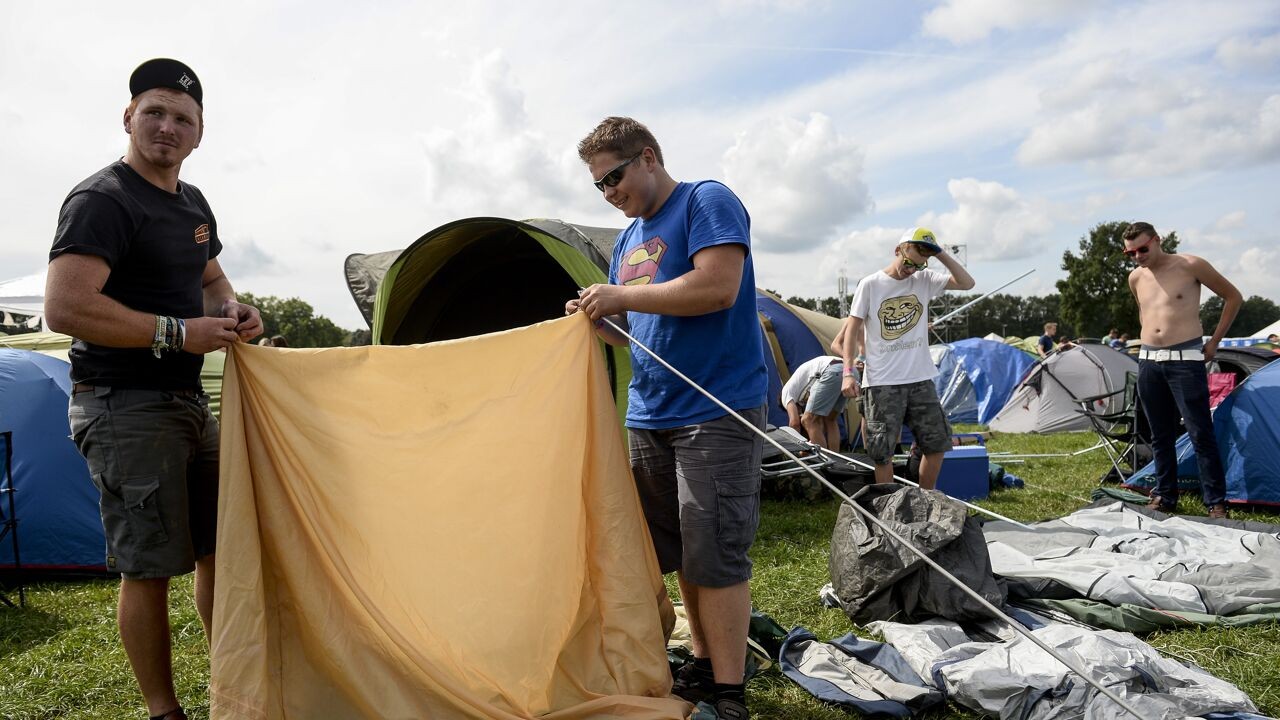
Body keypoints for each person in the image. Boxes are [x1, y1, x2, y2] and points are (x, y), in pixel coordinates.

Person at [44, 59, 262, 720]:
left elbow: (211, 278)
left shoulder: (192, 205)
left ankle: (233, 682)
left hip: (190, 404)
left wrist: (234, 309)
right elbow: (66, 307)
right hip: (122, 406)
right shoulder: (102, 200)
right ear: (129, 117)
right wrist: (178, 333)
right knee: (149, 569)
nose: (168, 127)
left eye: (183, 119)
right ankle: (165, 712)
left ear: (200, 135)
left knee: (217, 551)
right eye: (155, 113)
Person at [565, 116, 767, 719]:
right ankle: (704, 665)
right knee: (677, 548)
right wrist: (600, 320)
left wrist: (622, 298)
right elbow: (634, 334)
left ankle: (730, 692)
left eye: (615, 177)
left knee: (716, 549)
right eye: (599, 186)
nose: (610, 194)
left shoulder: (705, 201)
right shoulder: (628, 241)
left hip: (715, 407)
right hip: (650, 413)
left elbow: (718, 287)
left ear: (648, 157)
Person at [839, 228, 975, 490]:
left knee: (936, 444)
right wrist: (847, 371)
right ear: (897, 250)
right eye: (908, 262)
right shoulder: (870, 284)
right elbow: (852, 330)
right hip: (881, 382)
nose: (911, 270)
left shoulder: (924, 279)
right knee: (882, 453)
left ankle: (926, 500)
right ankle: (889, 509)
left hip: (921, 379)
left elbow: (967, 283)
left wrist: (940, 254)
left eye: (919, 265)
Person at [1123, 221, 1240, 519]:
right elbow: (1145, 315)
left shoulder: (1191, 265)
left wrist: (1214, 342)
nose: (1138, 256)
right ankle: (1164, 495)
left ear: (1157, 240)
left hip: (1186, 359)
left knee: (1200, 432)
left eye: (1142, 249)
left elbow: (1233, 296)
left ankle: (1215, 502)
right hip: (1149, 360)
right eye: (1130, 253)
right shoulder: (1136, 278)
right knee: (1159, 435)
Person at [780, 355, 848, 451]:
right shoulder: (801, 390)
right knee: (830, 419)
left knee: (807, 419)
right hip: (848, 370)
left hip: (831, 370)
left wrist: (798, 448)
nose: (799, 411)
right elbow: (819, 422)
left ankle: (825, 461)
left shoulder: (785, 394)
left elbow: (794, 423)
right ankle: (837, 459)